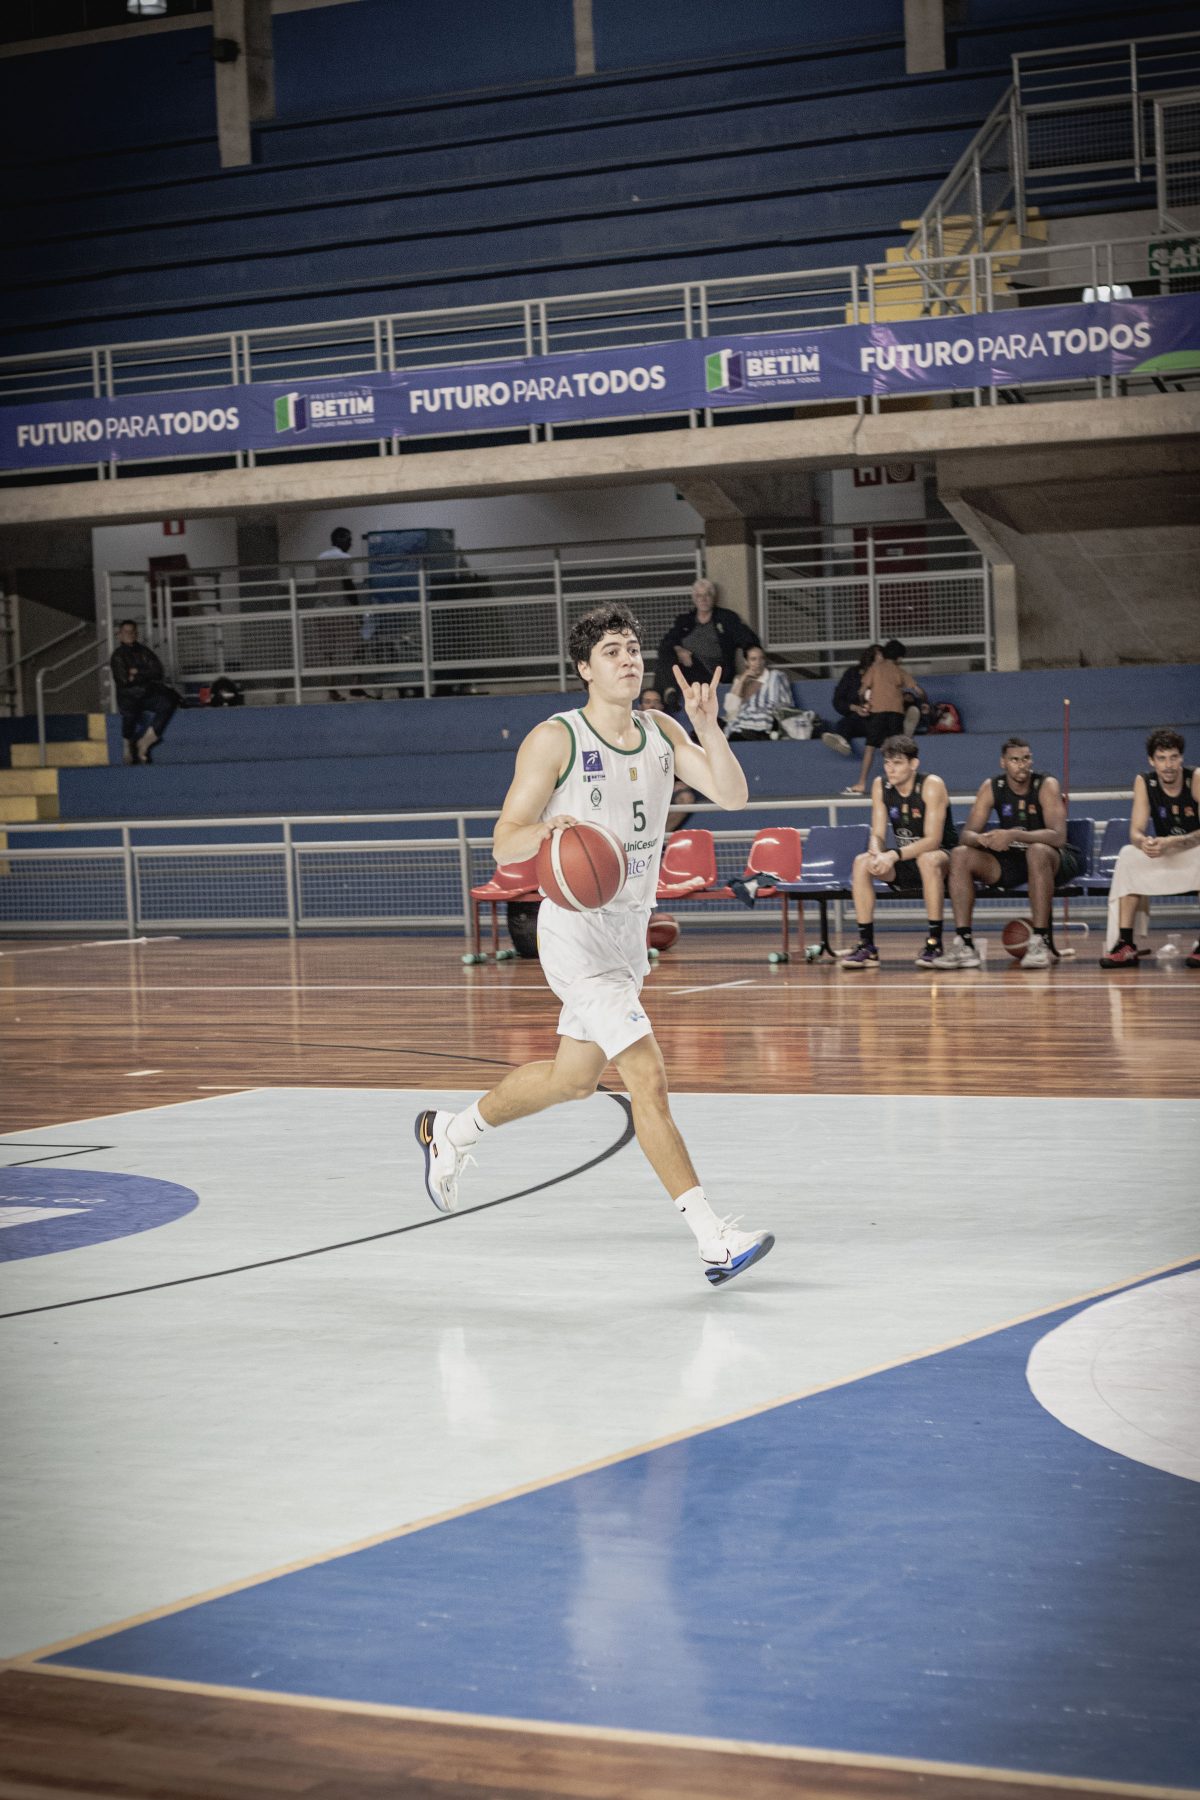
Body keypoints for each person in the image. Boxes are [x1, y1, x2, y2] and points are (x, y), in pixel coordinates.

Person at [415, 602, 774, 1287]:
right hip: (575, 934)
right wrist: (549, 834)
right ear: (584, 668)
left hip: (628, 935)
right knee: (647, 1077)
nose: (628, 659)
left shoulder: (662, 730)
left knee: (572, 1080)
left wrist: (708, 726)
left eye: (632, 648)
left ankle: (450, 1132)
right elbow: (504, 840)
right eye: (611, 651)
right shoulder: (556, 739)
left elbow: (732, 796)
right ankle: (713, 1239)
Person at [936, 737, 1082, 971]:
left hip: (1057, 857)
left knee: (1036, 852)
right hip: (1015, 860)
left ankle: (1040, 941)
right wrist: (984, 839)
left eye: (1026, 758)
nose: (1022, 764)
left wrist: (1014, 834)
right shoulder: (992, 787)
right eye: (1014, 760)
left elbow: (1058, 837)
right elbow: (966, 835)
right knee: (961, 854)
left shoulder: (1046, 785)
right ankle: (965, 944)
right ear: (1003, 762)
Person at [841, 735, 956, 969]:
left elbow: (933, 840)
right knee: (861, 862)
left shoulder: (931, 785)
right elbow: (878, 833)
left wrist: (893, 855)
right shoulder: (880, 785)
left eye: (898, 763)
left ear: (913, 764)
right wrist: (877, 852)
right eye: (887, 763)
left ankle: (934, 943)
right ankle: (867, 946)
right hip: (907, 858)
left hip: (944, 859)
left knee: (928, 859)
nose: (890, 769)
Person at [1099, 728, 1200, 969]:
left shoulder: (1195, 778)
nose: (1168, 765)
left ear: (1181, 758)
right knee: (1128, 855)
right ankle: (1125, 944)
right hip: (1166, 853)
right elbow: (1136, 832)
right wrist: (1144, 842)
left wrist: (1173, 842)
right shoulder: (1144, 782)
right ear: (1151, 761)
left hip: (1194, 851)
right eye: (1162, 758)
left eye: (1173, 757)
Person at [655, 578, 760, 705]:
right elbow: (666, 642)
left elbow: (748, 639)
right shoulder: (685, 620)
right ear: (694, 599)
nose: (703, 599)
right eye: (699, 596)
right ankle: (670, 691)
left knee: (662, 669)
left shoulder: (726, 618)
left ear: (713, 597)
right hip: (687, 669)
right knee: (666, 652)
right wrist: (679, 649)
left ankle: (666, 695)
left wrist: (752, 661)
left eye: (707, 595)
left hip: (712, 673)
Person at [844, 639, 927, 795]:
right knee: (897, 751)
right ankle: (902, 784)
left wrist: (864, 704)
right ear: (899, 658)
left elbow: (862, 691)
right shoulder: (899, 671)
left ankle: (861, 783)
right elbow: (918, 691)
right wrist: (924, 702)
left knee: (870, 748)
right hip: (896, 714)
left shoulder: (875, 668)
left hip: (877, 713)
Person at [109, 620, 178, 765]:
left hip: (146, 694)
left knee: (167, 703)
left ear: (136, 634)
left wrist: (136, 673)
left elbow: (158, 672)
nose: (129, 634)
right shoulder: (117, 655)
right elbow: (123, 681)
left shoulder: (144, 651)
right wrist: (145, 674)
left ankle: (145, 742)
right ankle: (127, 744)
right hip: (129, 697)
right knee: (129, 718)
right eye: (126, 632)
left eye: (132, 631)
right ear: (119, 635)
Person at [316, 526, 369, 700]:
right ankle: (355, 685)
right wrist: (357, 609)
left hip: (322, 610)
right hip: (340, 609)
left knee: (328, 652)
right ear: (341, 539)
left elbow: (320, 584)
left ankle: (332, 690)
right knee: (358, 645)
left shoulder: (320, 558)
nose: (351, 543)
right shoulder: (345, 558)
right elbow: (348, 585)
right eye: (349, 540)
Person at [640, 687, 695, 829]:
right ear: (640, 706)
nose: (652, 705)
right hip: (639, 786)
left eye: (656, 702)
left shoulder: (673, 731)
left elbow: (687, 760)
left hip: (667, 787)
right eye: (647, 702)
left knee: (686, 798)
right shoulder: (629, 731)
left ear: (661, 706)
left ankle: (659, 836)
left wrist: (685, 782)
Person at [831, 647, 875, 747]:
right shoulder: (852, 674)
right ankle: (842, 741)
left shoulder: (886, 677)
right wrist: (856, 708)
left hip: (880, 719)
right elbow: (838, 701)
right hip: (857, 719)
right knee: (844, 724)